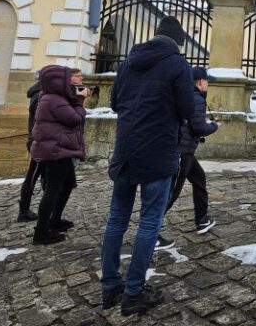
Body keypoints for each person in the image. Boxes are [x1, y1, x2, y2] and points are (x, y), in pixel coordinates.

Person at [100, 16, 197, 316]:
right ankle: (133, 292)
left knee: (116, 220)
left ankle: (110, 286)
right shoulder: (178, 64)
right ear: (178, 41)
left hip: (126, 149)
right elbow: (187, 109)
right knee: (149, 222)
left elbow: (115, 101)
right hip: (158, 150)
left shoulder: (128, 62)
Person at [30, 66, 90, 245]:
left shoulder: (51, 98)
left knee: (67, 185)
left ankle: (54, 220)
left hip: (59, 148)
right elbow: (75, 118)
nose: (70, 82)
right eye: (67, 79)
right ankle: (41, 231)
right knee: (53, 190)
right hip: (57, 151)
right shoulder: (53, 99)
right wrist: (80, 101)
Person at [160, 66, 220, 244]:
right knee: (171, 194)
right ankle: (151, 233)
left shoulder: (187, 95)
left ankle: (202, 220)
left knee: (199, 178)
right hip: (182, 151)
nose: (208, 84)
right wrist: (215, 126)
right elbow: (199, 128)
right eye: (207, 81)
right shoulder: (197, 99)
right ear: (201, 82)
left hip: (185, 149)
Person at [17, 71, 42, 222]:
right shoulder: (39, 95)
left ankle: (25, 209)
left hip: (37, 140)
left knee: (34, 174)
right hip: (38, 140)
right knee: (33, 175)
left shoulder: (38, 93)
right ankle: (24, 210)